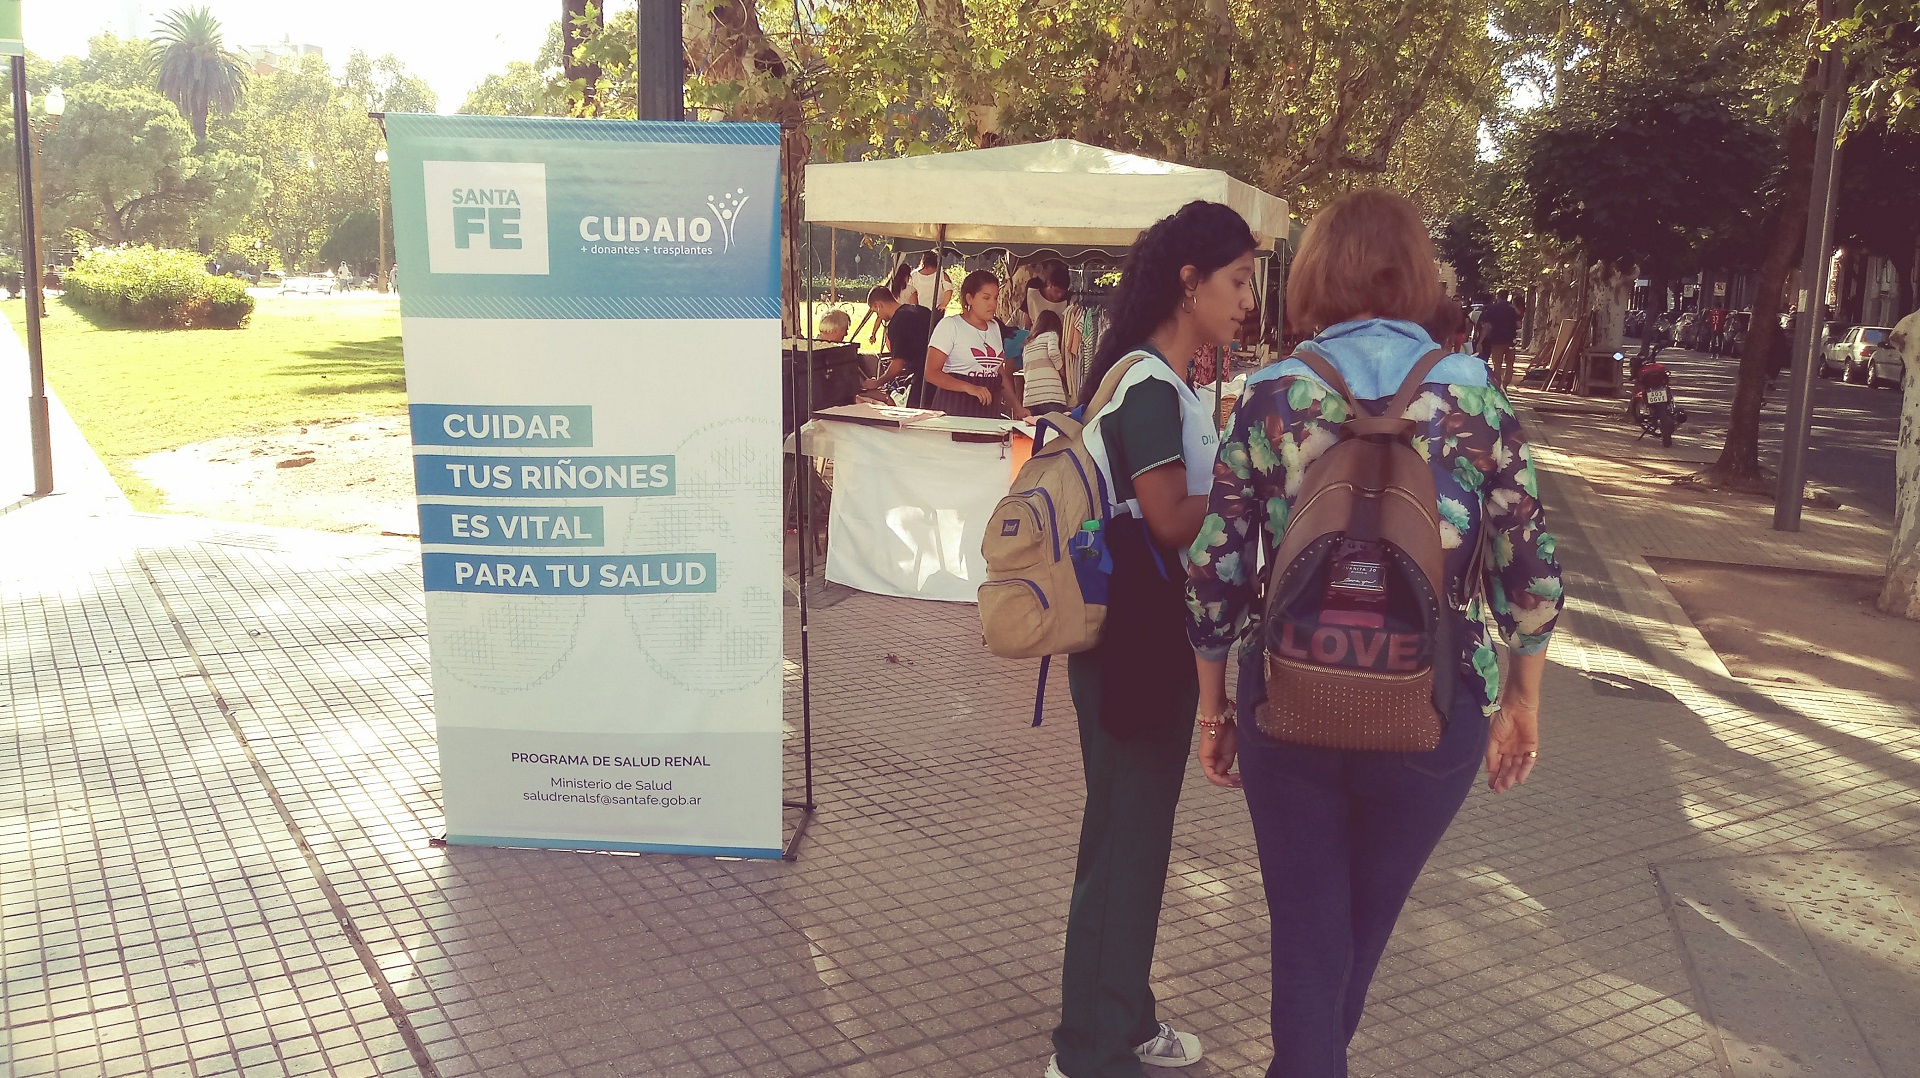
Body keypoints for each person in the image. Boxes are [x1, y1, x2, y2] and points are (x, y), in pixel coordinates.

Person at [1184, 188, 1563, 1078]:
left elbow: (1216, 567)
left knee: (1307, 936)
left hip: (1287, 699)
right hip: (1435, 708)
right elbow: (1530, 572)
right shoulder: (1475, 397)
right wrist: (1523, 700)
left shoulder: (1273, 394)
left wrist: (1214, 707)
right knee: (1360, 928)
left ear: (1317, 272)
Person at [1047, 200, 1258, 1078]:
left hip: (1138, 642)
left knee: (1130, 838)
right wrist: (1256, 494)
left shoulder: (1155, 380)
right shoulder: (1148, 387)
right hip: (1138, 645)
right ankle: (1089, 1051)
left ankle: (1124, 1019)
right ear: (1189, 282)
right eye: (1237, 281)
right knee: (1125, 845)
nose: (1248, 300)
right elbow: (1171, 519)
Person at [924, 270, 1020, 418]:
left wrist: (1016, 406)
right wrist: (969, 387)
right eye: (986, 298)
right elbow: (931, 373)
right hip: (955, 410)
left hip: (988, 412)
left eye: (995, 298)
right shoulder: (950, 325)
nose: (992, 304)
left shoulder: (995, 327)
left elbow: (998, 370)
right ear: (969, 298)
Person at [860, 286, 934, 407]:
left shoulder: (897, 323)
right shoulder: (922, 310)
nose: (878, 316)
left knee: (913, 414)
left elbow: (897, 366)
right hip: (940, 372)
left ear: (879, 305)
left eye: (875, 311)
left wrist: (878, 382)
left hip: (923, 379)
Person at [1022, 309, 1072, 415]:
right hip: (1050, 395)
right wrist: (1062, 371)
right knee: (1056, 424)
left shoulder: (1028, 343)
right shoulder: (1051, 334)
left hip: (1031, 397)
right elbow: (1053, 352)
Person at [1477, 291, 1520, 388]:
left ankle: (1498, 386)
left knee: (1497, 364)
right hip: (1511, 341)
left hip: (1496, 341)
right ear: (1507, 297)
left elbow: (1486, 326)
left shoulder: (1492, 309)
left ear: (1497, 296)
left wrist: (1480, 341)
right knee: (1510, 364)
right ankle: (1506, 384)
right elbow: (1519, 325)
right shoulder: (1512, 309)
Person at [1025, 259, 1073, 329]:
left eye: (1062, 293)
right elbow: (1027, 319)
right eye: (1057, 291)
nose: (1059, 295)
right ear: (1049, 284)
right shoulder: (1033, 295)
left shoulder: (1068, 302)